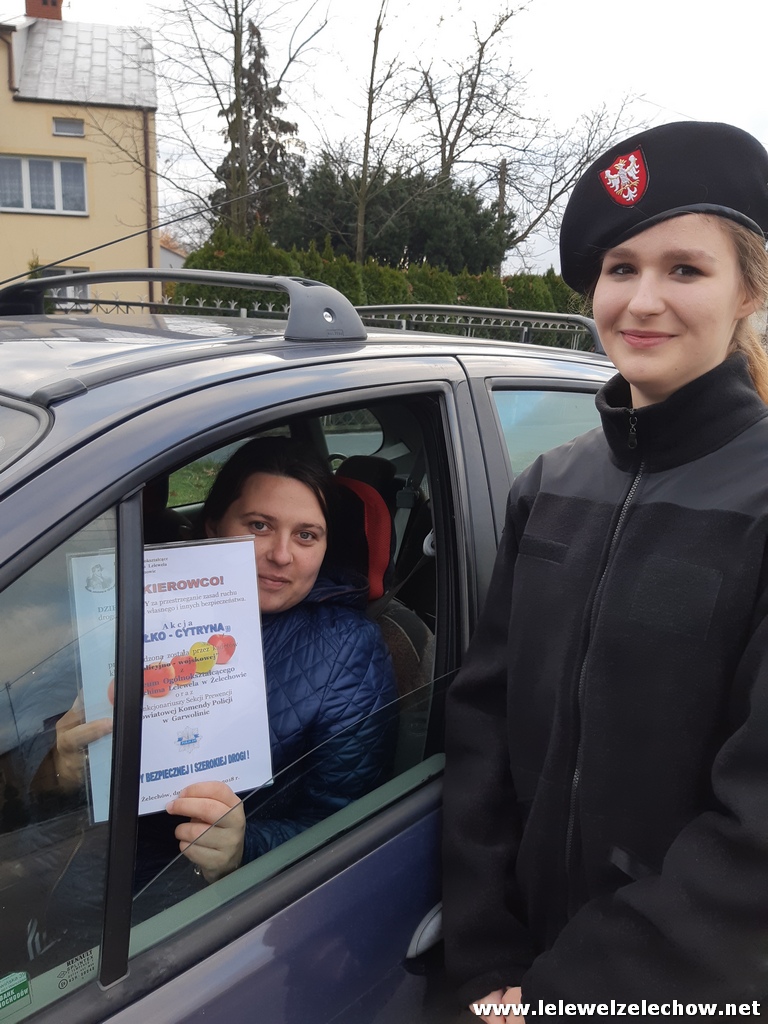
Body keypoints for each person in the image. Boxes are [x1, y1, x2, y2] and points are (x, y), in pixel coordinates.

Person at [442, 121, 768, 1017]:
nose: (642, 301)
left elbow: (755, 831)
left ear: (748, 291)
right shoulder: (550, 485)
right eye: (621, 268)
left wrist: (566, 997)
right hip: (510, 979)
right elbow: (481, 731)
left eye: (685, 269)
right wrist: (484, 959)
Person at [54, 437, 397, 892]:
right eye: (259, 525)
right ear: (212, 525)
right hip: (87, 857)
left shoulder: (348, 649)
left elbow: (345, 823)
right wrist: (63, 771)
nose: (281, 555)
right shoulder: (133, 602)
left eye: (306, 535)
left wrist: (244, 849)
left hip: (205, 902)